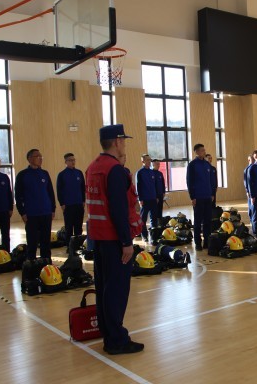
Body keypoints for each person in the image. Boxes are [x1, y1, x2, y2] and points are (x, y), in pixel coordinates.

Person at [86, 124, 144, 355]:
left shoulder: (93, 167)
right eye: (124, 140)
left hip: (99, 238)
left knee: (104, 288)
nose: (125, 144)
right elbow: (119, 210)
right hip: (114, 239)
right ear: (117, 141)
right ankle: (117, 340)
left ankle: (108, 333)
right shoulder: (115, 170)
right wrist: (126, 243)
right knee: (117, 290)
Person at [15, 149, 56, 260]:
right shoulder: (22, 175)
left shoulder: (45, 173)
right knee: (32, 241)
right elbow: (18, 195)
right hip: (31, 214)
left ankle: (46, 262)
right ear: (29, 159)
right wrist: (22, 212)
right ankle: (31, 263)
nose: (40, 158)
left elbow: (50, 192)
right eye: (37, 156)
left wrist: (53, 209)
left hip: (46, 212)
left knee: (45, 241)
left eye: (41, 156)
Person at [186, 144, 213, 250]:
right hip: (198, 197)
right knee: (198, 221)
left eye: (204, 150)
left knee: (207, 221)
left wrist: (211, 194)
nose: (204, 152)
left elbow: (210, 181)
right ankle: (198, 243)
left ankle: (207, 241)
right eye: (202, 150)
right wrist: (192, 197)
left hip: (207, 196)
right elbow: (189, 181)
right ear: (196, 152)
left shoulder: (207, 164)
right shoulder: (192, 165)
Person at [56, 153, 85, 244]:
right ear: (66, 162)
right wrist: (62, 203)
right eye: (70, 160)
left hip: (79, 204)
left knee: (78, 226)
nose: (73, 162)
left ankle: (78, 244)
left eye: (74, 160)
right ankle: (69, 245)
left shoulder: (79, 173)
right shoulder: (62, 175)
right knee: (69, 227)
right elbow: (59, 190)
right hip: (68, 205)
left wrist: (83, 200)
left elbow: (83, 188)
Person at [136, 154, 158, 242]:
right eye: (147, 160)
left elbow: (154, 186)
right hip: (144, 200)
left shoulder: (152, 172)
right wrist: (140, 199)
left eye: (150, 160)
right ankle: (144, 236)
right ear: (143, 161)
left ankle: (154, 236)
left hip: (153, 199)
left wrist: (156, 196)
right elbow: (138, 187)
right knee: (143, 219)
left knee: (154, 219)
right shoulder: (140, 173)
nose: (149, 161)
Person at [243, 154, 255, 220]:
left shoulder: (255, 168)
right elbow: (245, 181)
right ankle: (251, 219)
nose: (253, 160)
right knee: (251, 206)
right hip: (250, 191)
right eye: (251, 159)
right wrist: (247, 191)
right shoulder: (247, 169)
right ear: (249, 160)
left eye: (253, 159)